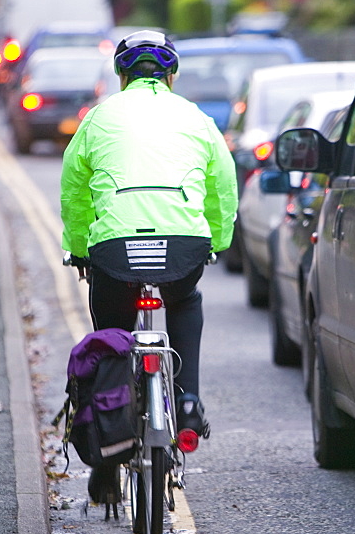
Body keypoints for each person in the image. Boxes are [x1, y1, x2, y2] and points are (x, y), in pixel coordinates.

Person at [60, 30, 238, 443]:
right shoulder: (196, 117)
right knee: (184, 299)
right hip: (182, 244)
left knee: (112, 322)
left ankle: (109, 430)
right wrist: (218, 239)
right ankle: (189, 399)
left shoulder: (98, 118)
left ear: (122, 77)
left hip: (116, 250)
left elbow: (74, 190)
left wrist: (80, 248)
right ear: (171, 75)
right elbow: (223, 183)